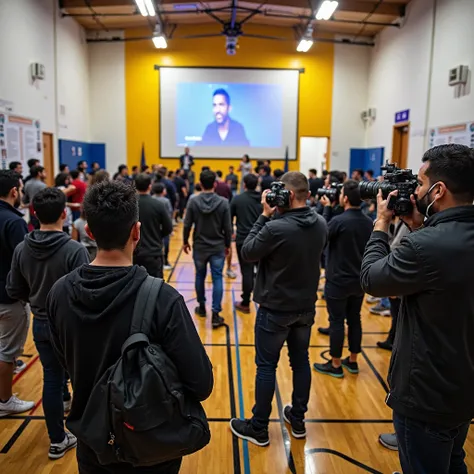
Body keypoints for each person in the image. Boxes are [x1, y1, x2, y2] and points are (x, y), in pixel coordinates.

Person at [46, 180, 213, 474]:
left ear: (89, 232)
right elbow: (201, 384)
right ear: (136, 231)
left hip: (94, 444)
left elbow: (64, 361)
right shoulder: (164, 298)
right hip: (152, 446)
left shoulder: (58, 293)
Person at [360, 144, 474, 474]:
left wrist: (381, 223)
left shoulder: (424, 245)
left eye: (420, 183)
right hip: (463, 387)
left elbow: (371, 279)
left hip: (426, 394)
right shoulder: (435, 239)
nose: (415, 190)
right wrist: (419, 226)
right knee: (454, 461)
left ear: (438, 191)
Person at [230, 172, 327, 446]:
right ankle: (298, 420)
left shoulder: (275, 228)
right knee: (300, 362)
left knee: (266, 367)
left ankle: (259, 427)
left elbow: (247, 252)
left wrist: (264, 215)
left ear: (289, 195)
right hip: (305, 308)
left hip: (275, 309)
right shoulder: (321, 224)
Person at [7, 187, 90, 459]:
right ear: (64, 213)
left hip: (41, 324)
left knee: (52, 378)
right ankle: (87, 431)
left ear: (34, 213)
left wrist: (35, 297)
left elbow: (14, 289)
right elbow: (86, 293)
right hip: (72, 325)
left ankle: (57, 439)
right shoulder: (75, 250)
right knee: (82, 377)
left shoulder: (21, 249)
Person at [312, 180, 372, 378]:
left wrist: (327, 209)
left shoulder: (339, 221)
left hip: (338, 279)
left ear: (344, 198)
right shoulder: (368, 221)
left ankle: (335, 364)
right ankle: (353, 361)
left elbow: (321, 237)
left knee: (336, 321)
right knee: (355, 319)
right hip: (359, 280)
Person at [0, 171, 34, 417]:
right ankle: (4, 400)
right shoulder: (13, 222)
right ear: (14, 191)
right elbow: (25, 261)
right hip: (8, 297)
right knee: (7, 352)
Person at [183, 170, 232, 329]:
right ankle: (216, 313)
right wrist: (227, 245)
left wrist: (185, 241)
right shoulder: (223, 202)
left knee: (200, 276)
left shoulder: (193, 201)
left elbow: (187, 224)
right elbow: (227, 227)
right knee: (217, 278)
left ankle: (202, 307)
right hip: (217, 246)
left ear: (200, 184)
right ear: (215, 184)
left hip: (200, 246)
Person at [230, 174, 262, 313]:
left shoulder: (238, 199)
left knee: (247, 271)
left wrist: (231, 232)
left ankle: (246, 302)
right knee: (262, 271)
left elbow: (229, 218)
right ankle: (264, 302)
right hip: (262, 239)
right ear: (257, 184)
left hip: (243, 240)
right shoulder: (263, 199)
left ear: (244, 184)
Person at [133, 174, 173, 279]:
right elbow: (168, 227)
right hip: (153, 251)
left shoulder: (129, 204)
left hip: (133, 252)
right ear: (150, 186)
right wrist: (157, 235)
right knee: (155, 285)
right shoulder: (158, 204)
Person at [215, 171, 235, 278]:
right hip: (226, 215)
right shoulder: (226, 186)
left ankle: (216, 268)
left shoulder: (212, 188)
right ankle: (228, 269)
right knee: (228, 244)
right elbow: (231, 198)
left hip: (214, 219)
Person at [152, 182, 173, 271]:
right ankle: (165, 262)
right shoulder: (166, 201)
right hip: (163, 226)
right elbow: (169, 213)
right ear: (163, 191)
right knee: (166, 244)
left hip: (153, 226)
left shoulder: (151, 199)